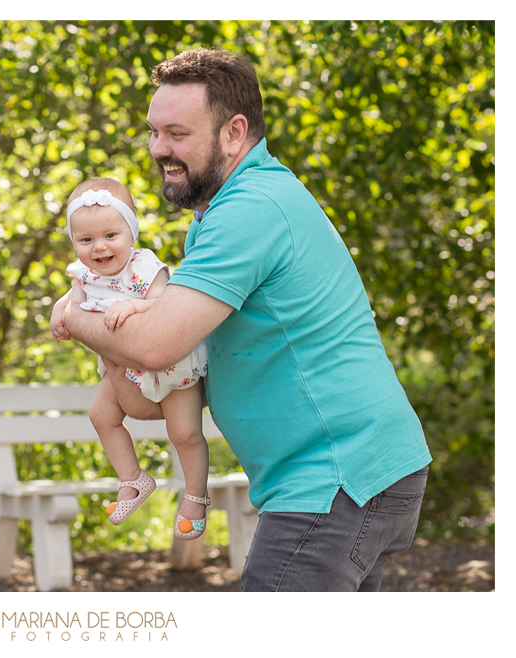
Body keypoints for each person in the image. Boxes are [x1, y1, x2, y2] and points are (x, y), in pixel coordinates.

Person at [62, 48, 432, 591]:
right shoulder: (233, 207)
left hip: (335, 476)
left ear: (234, 132)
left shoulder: (250, 211)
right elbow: (163, 375)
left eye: (176, 133)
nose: (158, 149)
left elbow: (155, 347)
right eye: (154, 132)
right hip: (351, 470)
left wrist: (73, 314)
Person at [50, 177, 210, 539]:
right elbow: (73, 294)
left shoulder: (146, 268)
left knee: (183, 432)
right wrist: (59, 309)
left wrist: (133, 304)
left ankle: (196, 497)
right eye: (86, 240)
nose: (99, 248)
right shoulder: (85, 274)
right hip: (123, 368)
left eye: (110, 235)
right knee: (100, 414)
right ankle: (133, 479)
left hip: (171, 369)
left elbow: (168, 306)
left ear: (131, 232)